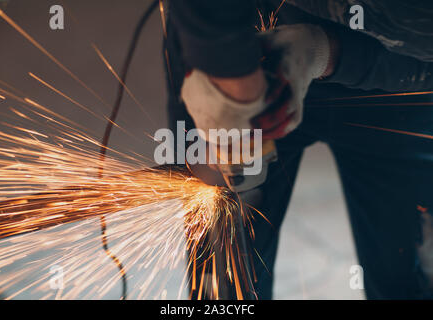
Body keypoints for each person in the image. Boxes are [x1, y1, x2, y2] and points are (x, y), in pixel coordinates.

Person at [164, 0, 433, 299]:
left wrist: (320, 52)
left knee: (409, 278)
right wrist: (229, 77)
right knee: (225, 284)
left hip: (404, 93)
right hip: (242, 44)